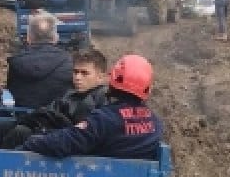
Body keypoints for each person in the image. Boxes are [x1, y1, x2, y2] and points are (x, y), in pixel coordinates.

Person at [20, 54, 163, 160]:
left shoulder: (105, 119)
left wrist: (29, 143)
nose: (78, 77)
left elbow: (64, 142)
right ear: (147, 88)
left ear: (112, 80)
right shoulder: (155, 123)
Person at [0, 49, 109, 149]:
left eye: (84, 73)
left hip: (68, 142)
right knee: (2, 126)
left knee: (21, 132)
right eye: (75, 72)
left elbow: (83, 131)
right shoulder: (70, 94)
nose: (78, 77)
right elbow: (49, 112)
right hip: (52, 132)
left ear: (101, 77)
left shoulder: (102, 98)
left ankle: (3, 170)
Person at [6, 12, 73, 109]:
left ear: (28, 37)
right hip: (57, 119)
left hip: (24, 119)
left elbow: (12, 90)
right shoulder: (69, 61)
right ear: (55, 37)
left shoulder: (16, 62)